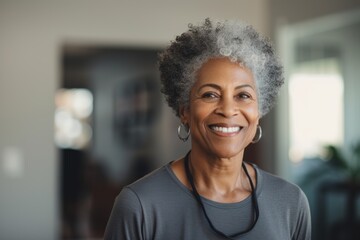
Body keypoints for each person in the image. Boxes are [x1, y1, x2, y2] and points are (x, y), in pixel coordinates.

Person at [104, 18, 311, 240]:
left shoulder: (290, 202)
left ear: (258, 112)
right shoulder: (139, 205)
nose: (228, 110)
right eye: (210, 94)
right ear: (185, 110)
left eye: (243, 95)